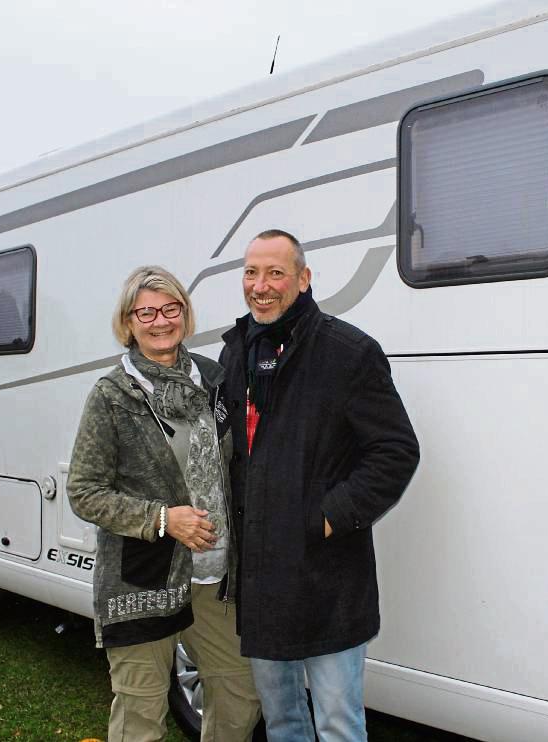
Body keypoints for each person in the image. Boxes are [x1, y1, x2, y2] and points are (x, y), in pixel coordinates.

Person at [220, 229, 420, 741]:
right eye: (251, 272)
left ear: (304, 279)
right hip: (262, 582)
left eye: (275, 273)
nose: (260, 286)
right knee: (284, 722)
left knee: (337, 724)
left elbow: (396, 450)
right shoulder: (235, 353)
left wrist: (328, 517)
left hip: (328, 578)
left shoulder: (348, 352)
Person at [67, 265, 261, 742]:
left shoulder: (214, 379)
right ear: (128, 322)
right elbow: (84, 491)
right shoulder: (113, 395)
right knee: (140, 716)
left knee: (240, 695)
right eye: (147, 312)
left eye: (171, 308)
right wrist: (161, 519)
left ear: (185, 314)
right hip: (144, 577)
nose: (161, 321)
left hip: (214, 575)